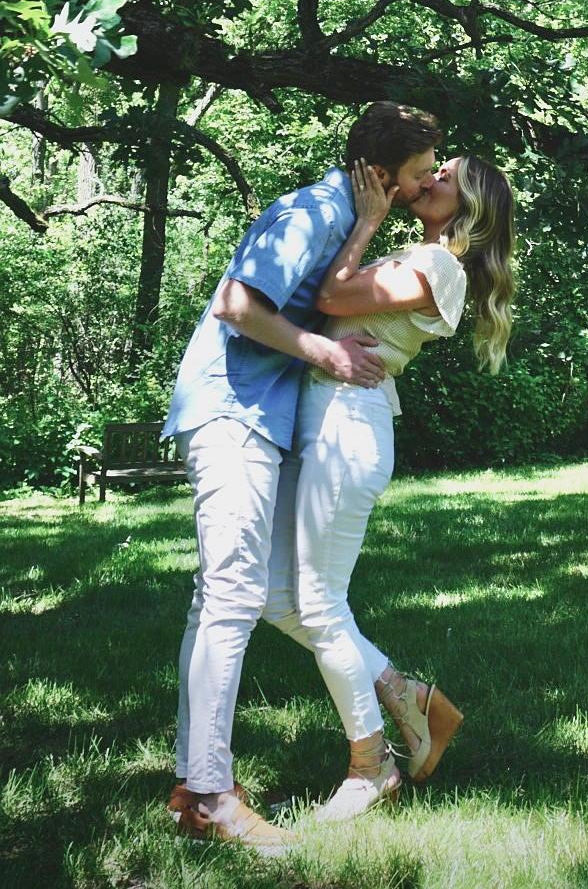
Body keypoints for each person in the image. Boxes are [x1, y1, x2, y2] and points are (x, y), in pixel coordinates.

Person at [162, 102, 443, 855]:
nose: (426, 188)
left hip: (260, 417)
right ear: (382, 175)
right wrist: (326, 356)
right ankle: (212, 795)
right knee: (230, 597)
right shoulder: (311, 210)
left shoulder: (344, 218)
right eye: (419, 176)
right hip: (230, 410)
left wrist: (368, 232)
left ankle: (198, 785)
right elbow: (235, 306)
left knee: (230, 596)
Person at [262, 152, 515, 822]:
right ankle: (408, 696)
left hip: (349, 427)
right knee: (274, 595)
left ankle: (369, 768)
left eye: (445, 176)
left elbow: (332, 299)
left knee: (316, 603)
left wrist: (367, 221)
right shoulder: (425, 256)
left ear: (467, 208)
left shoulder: (440, 267)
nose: (428, 178)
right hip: (328, 417)